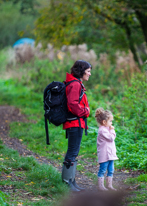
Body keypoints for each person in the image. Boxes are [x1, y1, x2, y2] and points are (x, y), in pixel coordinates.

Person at [62, 60, 92, 192]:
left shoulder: (76, 83)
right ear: (82, 71)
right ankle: (67, 182)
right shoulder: (75, 84)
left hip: (77, 123)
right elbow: (73, 104)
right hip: (75, 123)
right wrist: (86, 111)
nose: (90, 74)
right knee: (72, 152)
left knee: (74, 152)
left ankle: (72, 181)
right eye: (88, 71)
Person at [95, 108, 118, 191]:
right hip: (104, 154)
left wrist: (110, 129)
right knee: (103, 169)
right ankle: (101, 186)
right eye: (110, 121)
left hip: (110, 154)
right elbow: (111, 138)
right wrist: (112, 130)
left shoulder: (107, 129)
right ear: (104, 122)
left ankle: (109, 185)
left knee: (111, 170)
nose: (111, 123)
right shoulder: (102, 130)